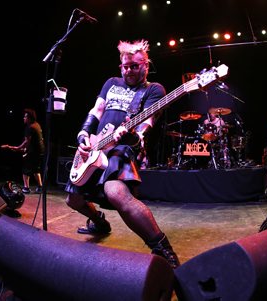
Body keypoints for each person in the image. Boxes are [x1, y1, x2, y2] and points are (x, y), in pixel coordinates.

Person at [64, 40, 180, 269]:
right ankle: (99, 222)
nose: (128, 71)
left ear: (146, 65)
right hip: (96, 147)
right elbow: (97, 110)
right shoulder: (111, 83)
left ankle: (163, 250)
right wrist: (83, 136)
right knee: (73, 199)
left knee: (115, 192)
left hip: (123, 148)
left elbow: (146, 123)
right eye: (125, 67)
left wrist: (134, 134)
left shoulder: (154, 90)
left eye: (134, 67)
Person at [2, 108, 45, 194]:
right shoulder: (37, 125)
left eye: (25, 117)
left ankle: (26, 188)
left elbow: (26, 142)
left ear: (29, 118)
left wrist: (16, 148)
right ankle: (40, 187)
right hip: (40, 151)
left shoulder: (30, 127)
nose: (23, 118)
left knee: (26, 169)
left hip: (34, 152)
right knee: (36, 169)